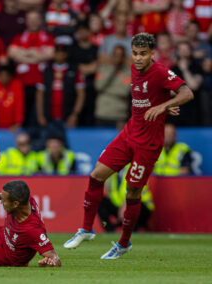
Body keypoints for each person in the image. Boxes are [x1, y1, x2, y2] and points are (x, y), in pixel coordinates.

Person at [63, 33, 194, 259]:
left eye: (143, 54)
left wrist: (164, 106)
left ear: (152, 54)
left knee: (132, 191)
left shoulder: (161, 72)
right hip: (128, 134)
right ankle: (86, 229)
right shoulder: (132, 67)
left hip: (148, 144)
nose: (138, 58)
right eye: (135, 53)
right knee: (95, 176)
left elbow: (187, 93)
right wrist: (163, 103)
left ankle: (123, 243)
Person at [8, 10, 55, 127]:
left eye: (36, 19)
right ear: (26, 21)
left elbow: (50, 54)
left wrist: (24, 54)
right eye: (30, 19)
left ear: (40, 21)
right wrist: (37, 54)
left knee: (41, 117)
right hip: (22, 83)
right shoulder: (18, 37)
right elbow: (12, 54)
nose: (33, 22)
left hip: (41, 82)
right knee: (23, 116)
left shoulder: (48, 37)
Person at [98, 164, 154, 232]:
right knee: (100, 202)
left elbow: (137, 191)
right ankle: (110, 231)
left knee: (132, 205)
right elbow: (106, 189)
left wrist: (125, 205)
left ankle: (133, 231)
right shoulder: (113, 173)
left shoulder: (135, 170)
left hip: (142, 207)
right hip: (120, 207)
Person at [94, 45, 131, 129]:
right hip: (102, 112)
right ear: (112, 55)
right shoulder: (103, 69)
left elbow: (124, 91)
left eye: (121, 55)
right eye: (116, 55)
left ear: (124, 57)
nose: (118, 58)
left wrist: (105, 90)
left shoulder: (128, 72)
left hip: (119, 113)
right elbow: (98, 86)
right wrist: (113, 70)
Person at [0, 64, 24, 130]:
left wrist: (18, 123)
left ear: (10, 76)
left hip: (12, 124)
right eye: (1, 76)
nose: (4, 78)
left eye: (6, 76)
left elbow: (19, 105)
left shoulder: (17, 85)